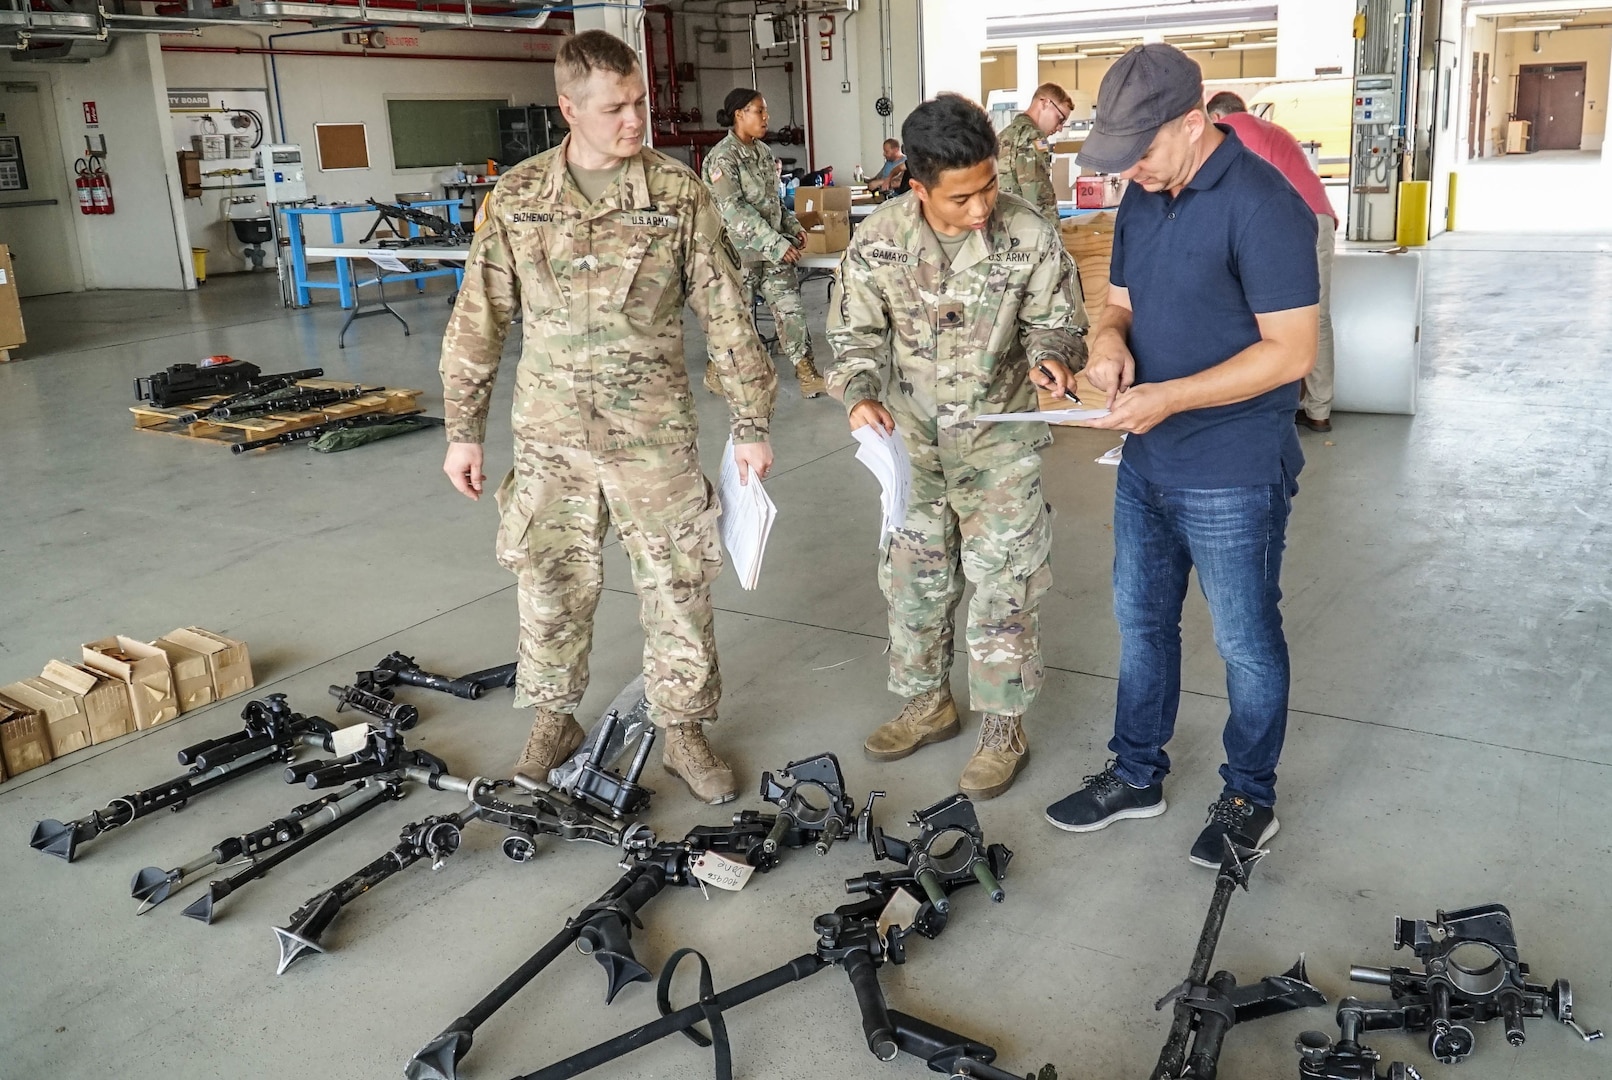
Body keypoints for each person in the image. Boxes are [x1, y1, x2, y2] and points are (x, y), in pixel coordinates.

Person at [438, 30, 779, 806]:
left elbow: (726, 313)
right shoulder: (520, 198)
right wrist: (464, 429)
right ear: (569, 108)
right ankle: (553, 718)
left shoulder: (676, 193)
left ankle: (684, 730)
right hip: (550, 435)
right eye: (616, 108)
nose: (636, 121)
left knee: (678, 582)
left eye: (641, 104)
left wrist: (751, 423)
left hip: (653, 436)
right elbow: (478, 318)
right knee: (549, 580)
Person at [1043, 45, 1318, 865]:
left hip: (1232, 466)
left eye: (1143, 155)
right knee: (1142, 625)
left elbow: (1290, 352)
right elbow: (1118, 303)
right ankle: (1136, 774)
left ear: (1193, 123)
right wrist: (1107, 348)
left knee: (1243, 639)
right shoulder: (1142, 195)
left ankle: (1249, 796)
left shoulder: (1263, 206)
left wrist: (1170, 396)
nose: (1131, 175)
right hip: (1147, 462)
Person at [827, 94, 1087, 800]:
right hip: (911, 442)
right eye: (962, 196)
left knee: (1005, 584)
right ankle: (928, 703)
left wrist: (1054, 358)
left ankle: (1003, 724)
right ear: (919, 187)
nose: (981, 208)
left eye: (990, 186)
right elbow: (851, 338)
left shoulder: (1028, 233)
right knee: (914, 581)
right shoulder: (879, 238)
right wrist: (857, 391)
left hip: (998, 439)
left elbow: (1059, 322)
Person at [1207, 91, 1338, 433]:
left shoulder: (1229, 135)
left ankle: (1271, 405)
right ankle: (1318, 409)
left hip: (1286, 223)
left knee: (1268, 318)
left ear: (1216, 116)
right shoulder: (1274, 131)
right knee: (1315, 317)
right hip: (1318, 216)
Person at [703, 88, 827, 399]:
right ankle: (717, 370)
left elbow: (773, 202)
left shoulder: (764, 153)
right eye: (759, 111)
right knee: (735, 317)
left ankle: (805, 370)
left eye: (765, 111)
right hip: (739, 254)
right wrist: (776, 243)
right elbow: (733, 209)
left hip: (773, 252)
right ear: (739, 114)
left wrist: (793, 227)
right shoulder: (722, 157)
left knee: (791, 312)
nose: (766, 118)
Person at [997, 83, 1074, 225]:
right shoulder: (1033, 136)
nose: (1060, 128)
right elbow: (1038, 197)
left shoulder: (1003, 136)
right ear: (1045, 103)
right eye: (1060, 118)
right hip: (1026, 231)